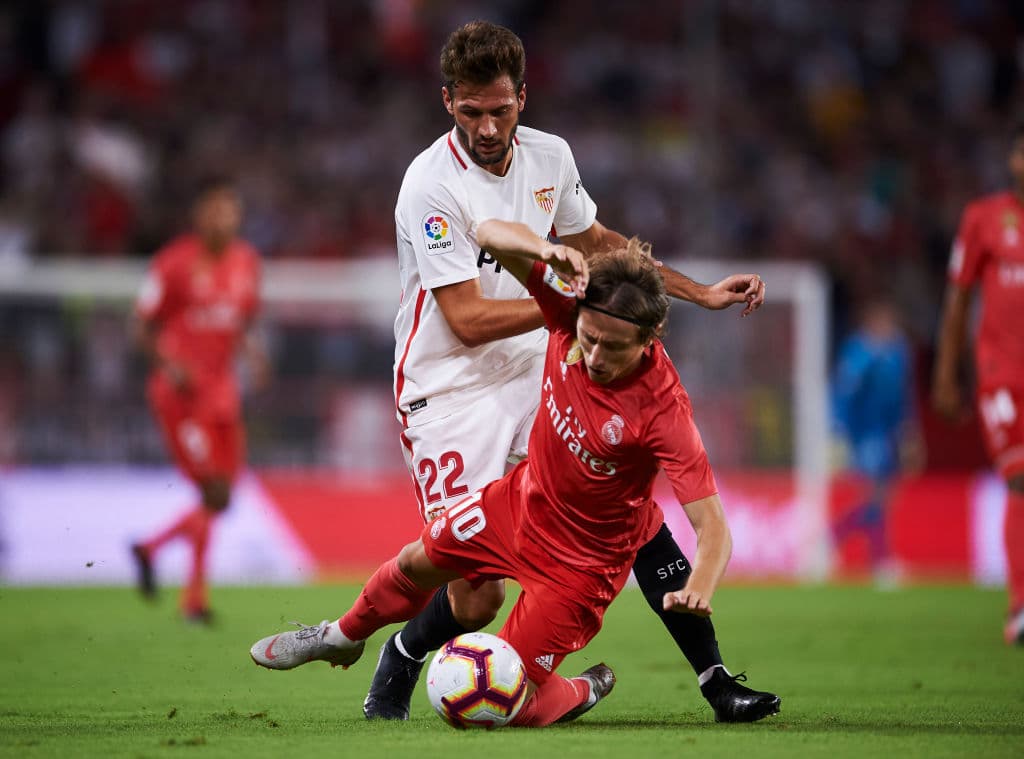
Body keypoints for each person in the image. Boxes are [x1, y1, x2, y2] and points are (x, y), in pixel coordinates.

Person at [366, 20, 777, 722]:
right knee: (478, 596)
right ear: (447, 102)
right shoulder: (429, 185)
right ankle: (403, 650)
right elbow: (464, 321)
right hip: (450, 386)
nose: (489, 127)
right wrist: (568, 308)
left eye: (501, 110)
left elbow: (605, 247)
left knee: (630, 510)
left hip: (538, 366)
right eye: (472, 112)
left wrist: (698, 291)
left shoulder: (550, 158)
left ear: (523, 97)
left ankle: (714, 679)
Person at [251, 219, 735, 727]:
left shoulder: (664, 413)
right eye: (589, 339)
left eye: (613, 348)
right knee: (419, 560)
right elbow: (488, 234)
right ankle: (342, 638)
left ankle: (579, 688)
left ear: (649, 338)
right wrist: (549, 252)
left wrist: (700, 584)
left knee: (504, 702)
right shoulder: (567, 310)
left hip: (580, 566)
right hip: (519, 505)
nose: (593, 357)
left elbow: (713, 527)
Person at [130, 177, 264, 622]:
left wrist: (252, 352)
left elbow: (240, 319)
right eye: (216, 210)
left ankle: (151, 549)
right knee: (213, 489)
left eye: (231, 211)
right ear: (199, 215)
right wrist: (169, 366)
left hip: (223, 394)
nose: (224, 219)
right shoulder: (174, 263)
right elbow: (142, 325)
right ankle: (194, 598)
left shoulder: (247, 262)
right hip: (182, 397)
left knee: (221, 497)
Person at [933, 123, 1024, 645]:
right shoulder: (984, 219)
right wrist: (947, 375)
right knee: (1019, 477)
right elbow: (959, 299)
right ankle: (1019, 607)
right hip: (1002, 376)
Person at [832, 296, 914, 586]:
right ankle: (879, 560)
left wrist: (908, 433)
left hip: (889, 434)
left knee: (882, 498)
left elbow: (905, 397)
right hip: (863, 434)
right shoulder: (858, 351)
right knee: (875, 496)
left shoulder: (898, 352)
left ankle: (833, 538)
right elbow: (843, 394)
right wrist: (839, 433)